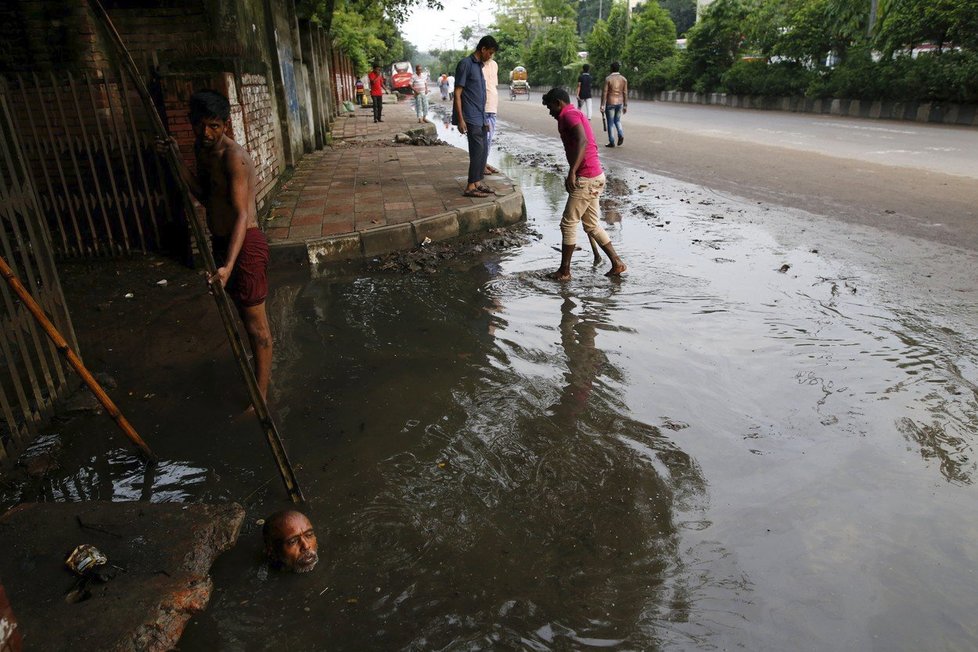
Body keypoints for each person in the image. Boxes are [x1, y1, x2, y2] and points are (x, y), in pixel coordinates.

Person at [162, 90, 273, 401]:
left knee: (257, 327)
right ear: (192, 123)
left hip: (246, 244)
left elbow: (241, 215)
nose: (206, 133)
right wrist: (175, 160)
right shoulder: (202, 150)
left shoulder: (233, 157)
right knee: (244, 318)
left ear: (226, 124)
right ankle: (257, 380)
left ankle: (260, 400)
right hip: (223, 242)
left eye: (214, 126)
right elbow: (205, 197)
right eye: (200, 125)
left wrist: (227, 266)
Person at [541, 87, 627, 280]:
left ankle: (565, 271)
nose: (550, 113)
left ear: (558, 103)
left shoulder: (568, 116)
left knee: (568, 223)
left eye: (550, 108)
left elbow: (582, 141)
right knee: (592, 225)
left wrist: (572, 172)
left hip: (587, 177)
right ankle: (617, 263)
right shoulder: (574, 113)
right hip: (595, 175)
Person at [452, 35, 498, 198]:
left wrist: (485, 119)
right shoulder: (465, 64)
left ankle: (477, 182)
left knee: (483, 149)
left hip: (480, 116)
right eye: (490, 53)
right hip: (470, 116)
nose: (490, 56)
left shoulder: (479, 66)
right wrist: (460, 119)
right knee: (477, 150)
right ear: (483, 49)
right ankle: (470, 186)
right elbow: (457, 93)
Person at [600, 61, 628, 147]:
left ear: (611, 68)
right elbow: (625, 93)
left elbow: (605, 92)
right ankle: (621, 134)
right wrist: (625, 105)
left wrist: (602, 105)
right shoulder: (624, 79)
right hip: (620, 103)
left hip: (610, 102)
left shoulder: (608, 79)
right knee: (617, 120)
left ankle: (611, 141)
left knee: (610, 122)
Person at [483, 54, 500, 175]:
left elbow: (493, 85)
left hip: (492, 108)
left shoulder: (494, 65)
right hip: (482, 109)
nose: (491, 54)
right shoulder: (477, 66)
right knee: (483, 139)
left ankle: (484, 163)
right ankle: (481, 165)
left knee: (488, 140)